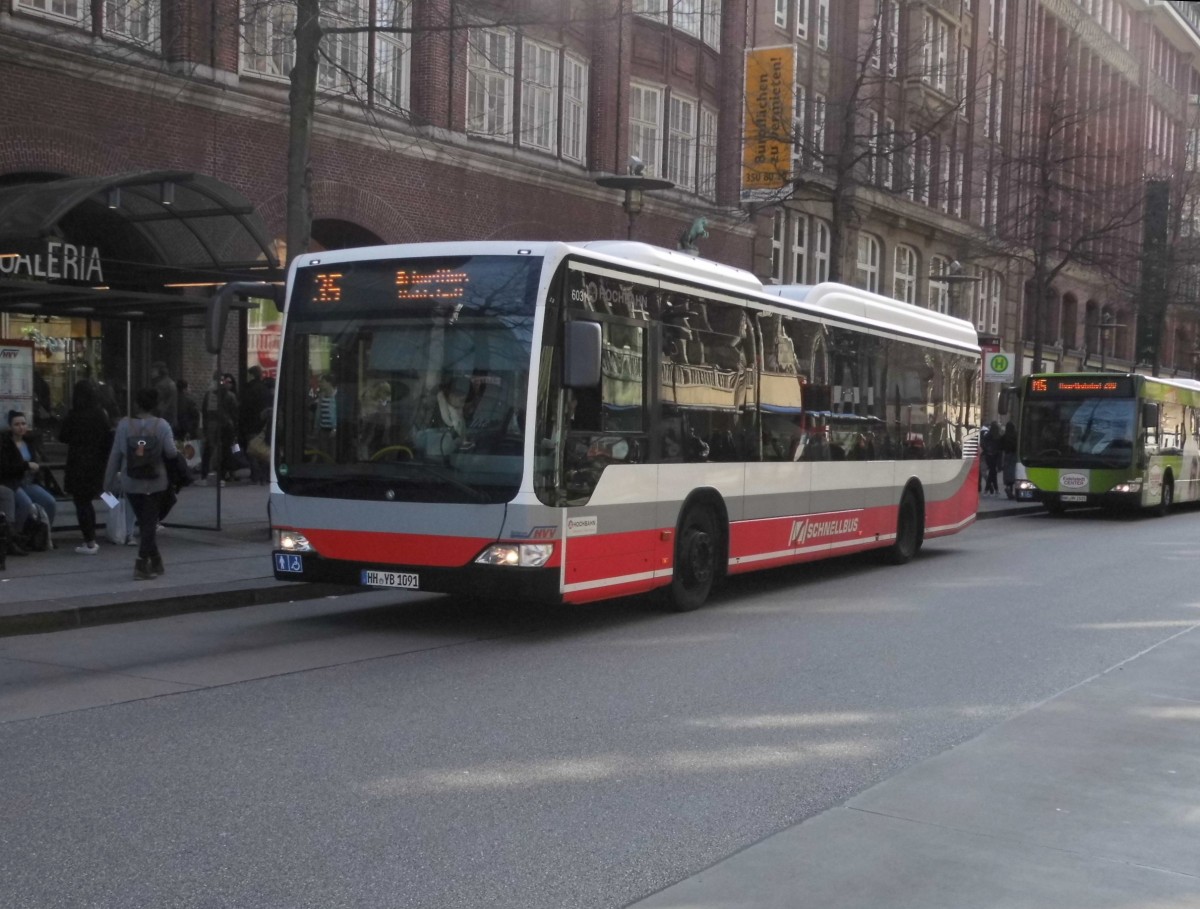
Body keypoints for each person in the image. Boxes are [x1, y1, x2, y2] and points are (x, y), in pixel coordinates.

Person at [104, 387, 179, 580]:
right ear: (155, 404)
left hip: (131, 481)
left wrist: (108, 482)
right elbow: (171, 452)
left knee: (145, 522)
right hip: (156, 482)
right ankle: (140, 563)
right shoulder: (162, 425)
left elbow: (115, 454)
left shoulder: (124, 425)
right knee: (149, 524)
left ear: (136, 404)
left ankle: (155, 560)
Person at [58, 380, 113, 555]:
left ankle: (90, 540)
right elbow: (107, 438)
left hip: (78, 463)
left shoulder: (74, 415)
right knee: (105, 493)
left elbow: (63, 436)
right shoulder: (100, 414)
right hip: (98, 462)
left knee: (82, 502)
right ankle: (122, 520)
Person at [0, 410, 57, 536]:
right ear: (10, 427)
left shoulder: (29, 443)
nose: (21, 427)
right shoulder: (6, 444)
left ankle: (44, 535)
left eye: (23, 424)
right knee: (25, 504)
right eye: (17, 424)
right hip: (13, 482)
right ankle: (16, 535)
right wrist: (26, 465)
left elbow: (35, 462)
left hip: (29, 482)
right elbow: (5, 467)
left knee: (50, 502)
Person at [200, 372, 238, 485]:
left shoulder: (210, 394)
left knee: (213, 450)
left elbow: (205, 411)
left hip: (215, 426)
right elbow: (234, 413)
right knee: (224, 450)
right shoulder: (229, 395)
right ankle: (222, 474)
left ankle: (209, 474)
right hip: (225, 426)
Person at [151, 361, 178, 434]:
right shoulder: (171, 382)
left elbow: (156, 400)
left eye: (153, 370)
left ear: (160, 371)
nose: (151, 373)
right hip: (170, 416)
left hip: (162, 416)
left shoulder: (161, 385)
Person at [981, 420, 1001, 496]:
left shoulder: (988, 435)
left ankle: (990, 490)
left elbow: (983, 444)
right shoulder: (998, 436)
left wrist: (987, 451)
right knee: (993, 473)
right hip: (995, 456)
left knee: (992, 473)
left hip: (988, 456)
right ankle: (994, 490)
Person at [1000, 420, 1019, 499]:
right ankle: (1011, 490)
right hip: (1014, 455)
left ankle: (1008, 488)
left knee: (1007, 472)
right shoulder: (1016, 435)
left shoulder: (1004, 436)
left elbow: (1001, 446)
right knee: (1013, 472)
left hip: (1007, 455)